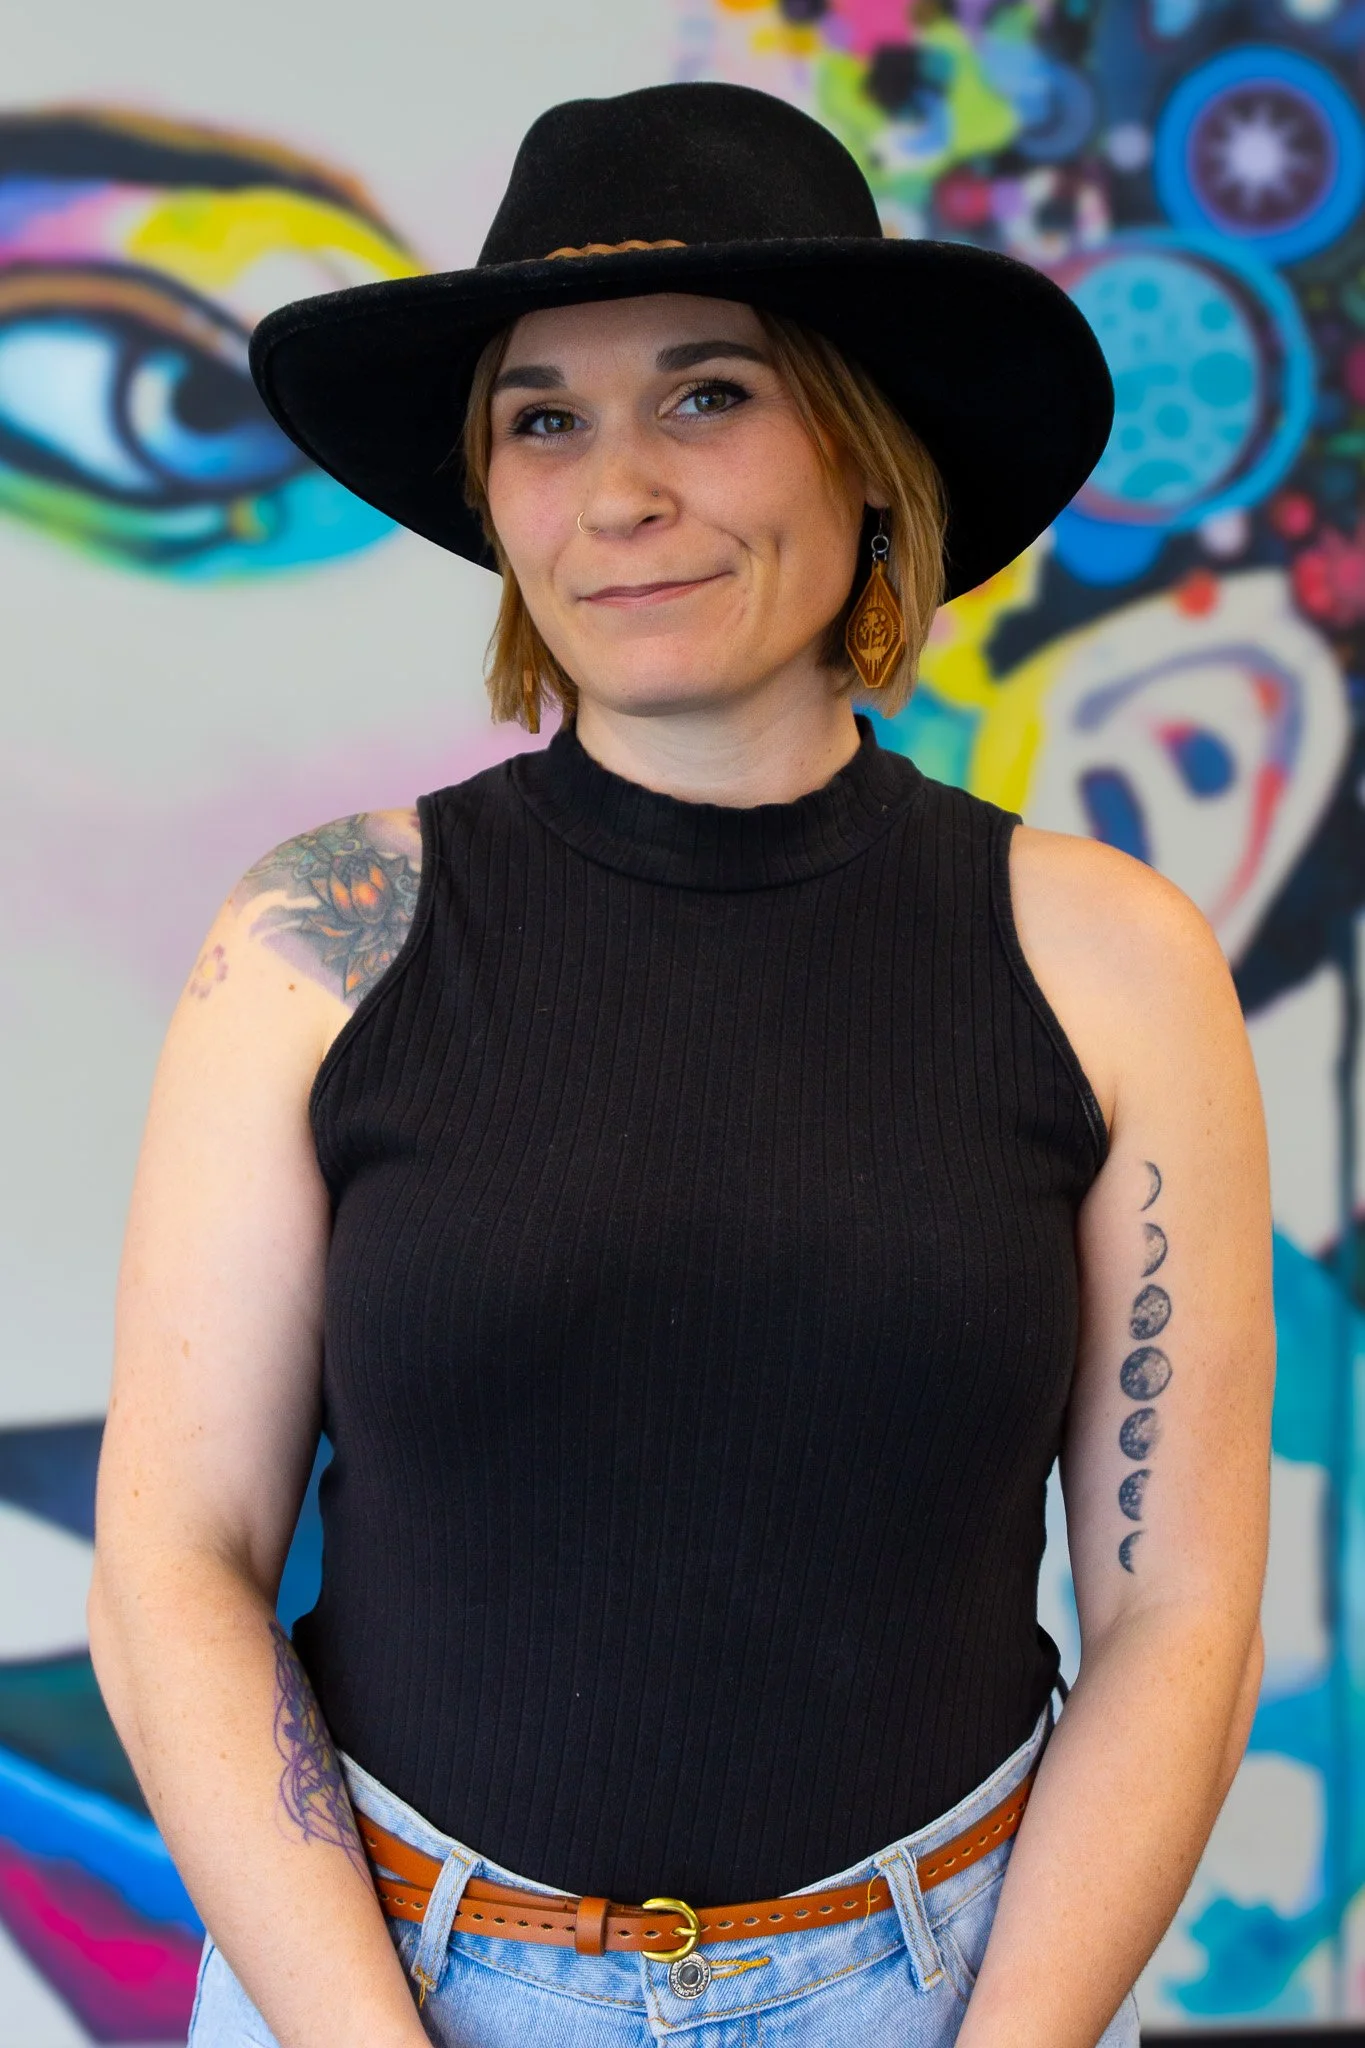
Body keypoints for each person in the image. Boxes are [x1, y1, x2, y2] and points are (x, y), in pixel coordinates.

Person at [89, 80, 1273, 2048]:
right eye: (542, 416)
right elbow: (170, 1570)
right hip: (382, 1980)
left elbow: (1178, 1614)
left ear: (865, 449)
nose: (615, 487)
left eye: (704, 393)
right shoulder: (315, 938)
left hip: (958, 1982)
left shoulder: (1108, 960)